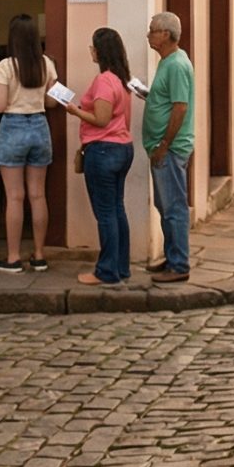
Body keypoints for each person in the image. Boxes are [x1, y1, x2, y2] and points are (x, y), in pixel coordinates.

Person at [0, 13, 66, 274]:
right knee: (37, 194)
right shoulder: (46, 64)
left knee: (15, 197)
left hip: (13, 127)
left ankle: (13, 258)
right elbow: (53, 102)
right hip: (39, 126)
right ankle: (39, 255)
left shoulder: (5, 66)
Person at [75, 27, 137, 286]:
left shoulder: (103, 81)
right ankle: (121, 266)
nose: (90, 50)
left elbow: (100, 119)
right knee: (117, 209)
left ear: (99, 51)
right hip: (122, 147)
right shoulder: (123, 80)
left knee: (106, 213)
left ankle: (107, 270)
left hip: (102, 150)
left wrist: (74, 111)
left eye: (92, 46)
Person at [142, 12, 196, 283]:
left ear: (165, 34)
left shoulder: (176, 65)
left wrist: (165, 144)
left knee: (174, 206)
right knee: (166, 206)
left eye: (152, 30)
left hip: (170, 150)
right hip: (161, 147)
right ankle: (171, 255)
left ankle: (179, 264)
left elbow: (180, 107)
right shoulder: (167, 62)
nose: (149, 34)